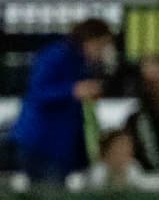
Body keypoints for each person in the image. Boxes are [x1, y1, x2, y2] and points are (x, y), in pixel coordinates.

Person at [10, 18, 114, 183]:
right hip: (41, 143)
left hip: (62, 148)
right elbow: (37, 92)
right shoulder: (56, 55)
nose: (102, 52)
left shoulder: (84, 64)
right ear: (89, 40)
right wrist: (73, 90)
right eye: (101, 46)